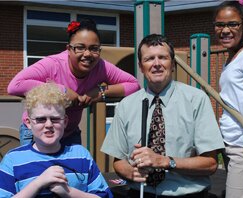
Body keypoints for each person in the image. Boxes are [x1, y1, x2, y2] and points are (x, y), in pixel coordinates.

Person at [101, 34, 224, 198]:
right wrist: (131, 173)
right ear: (140, 66)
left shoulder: (196, 100)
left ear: (172, 64)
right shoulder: (126, 105)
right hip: (141, 193)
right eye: (149, 59)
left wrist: (165, 161)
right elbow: (119, 162)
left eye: (163, 57)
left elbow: (210, 163)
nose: (156, 64)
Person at [7, 19, 140, 146]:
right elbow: (15, 86)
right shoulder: (53, 65)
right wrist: (61, 91)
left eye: (94, 48)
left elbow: (134, 85)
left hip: (69, 133)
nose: (87, 54)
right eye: (80, 47)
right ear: (68, 49)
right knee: (37, 170)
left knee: (75, 169)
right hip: (38, 132)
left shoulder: (101, 67)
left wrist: (100, 92)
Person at [0, 83, 113, 198]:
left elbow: (104, 195)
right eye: (41, 119)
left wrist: (69, 192)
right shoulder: (13, 160)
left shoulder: (81, 155)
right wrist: (37, 184)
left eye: (55, 119)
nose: (48, 124)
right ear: (28, 123)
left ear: (65, 122)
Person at [213, 1, 243, 197]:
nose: (225, 30)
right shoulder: (232, 58)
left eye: (232, 24)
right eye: (219, 25)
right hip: (234, 144)